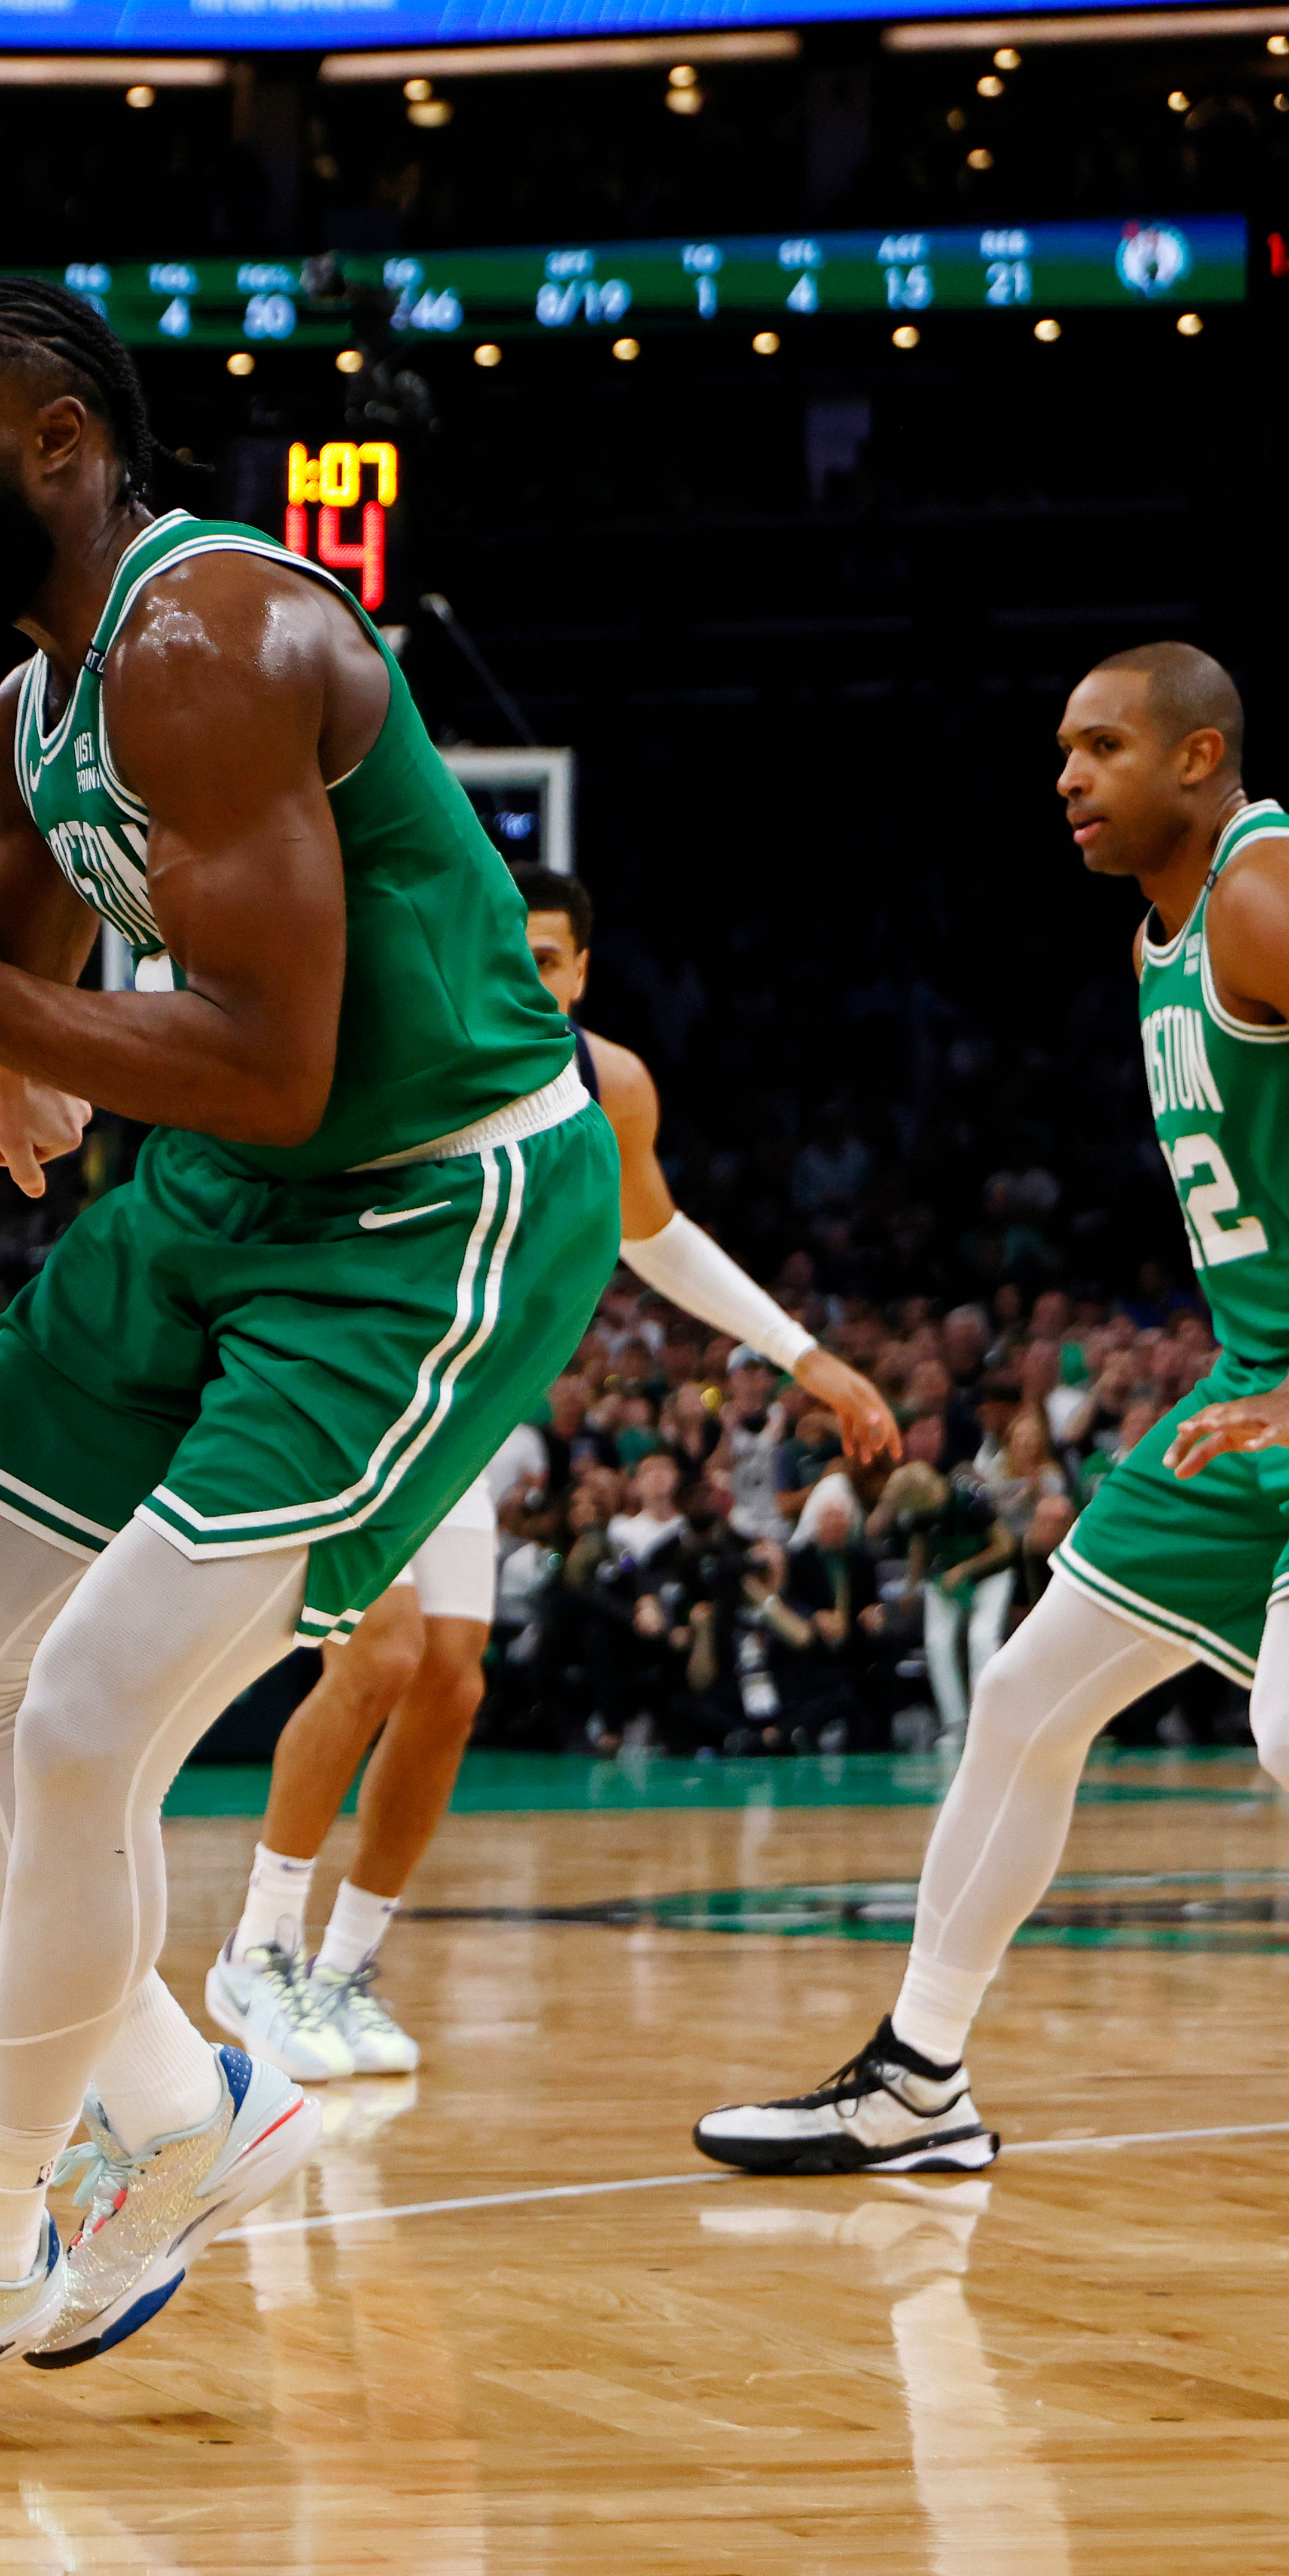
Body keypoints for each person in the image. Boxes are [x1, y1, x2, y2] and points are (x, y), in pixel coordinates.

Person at [0, 278, 623, 2450]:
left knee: (89, 1714)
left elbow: (277, 1061)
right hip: (214, 1203)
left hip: (419, 1220)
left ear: (58, 443)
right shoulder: (27, 716)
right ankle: (177, 2093)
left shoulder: (209, 638)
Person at [696, 643, 1289, 2224]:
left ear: (1202, 758)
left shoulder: (1281, 884)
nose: (1066, 775)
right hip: (1273, 1371)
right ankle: (919, 2082)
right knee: (1024, 1697)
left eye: (1103, 746)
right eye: (1061, 747)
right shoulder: (1162, 940)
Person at [211, 868, 902, 2080]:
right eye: (507, 953)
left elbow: (656, 1236)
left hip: (458, 1414)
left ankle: (345, 1968)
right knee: (376, 1653)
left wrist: (806, 1359)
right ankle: (257, 1951)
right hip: (345, 1389)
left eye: (548, 959)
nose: (527, 977)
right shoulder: (398, 1050)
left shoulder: (608, 1084)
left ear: (579, 971)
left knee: (453, 1685)